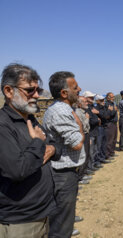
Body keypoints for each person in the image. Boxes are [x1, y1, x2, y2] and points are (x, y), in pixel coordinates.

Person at [0, 64, 58, 238]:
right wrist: (38, 143)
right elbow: (18, 170)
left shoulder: (30, 118)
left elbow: (54, 144)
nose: (37, 95)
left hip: (40, 213)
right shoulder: (3, 126)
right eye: (30, 90)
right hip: (20, 222)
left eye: (38, 89)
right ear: (9, 91)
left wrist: (53, 149)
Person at [43, 71, 85, 238]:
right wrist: (77, 118)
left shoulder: (64, 109)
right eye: (75, 87)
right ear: (64, 93)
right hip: (62, 174)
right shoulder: (61, 112)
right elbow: (77, 143)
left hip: (66, 173)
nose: (79, 89)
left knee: (64, 218)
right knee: (61, 226)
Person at [75, 96, 93, 184]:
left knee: (87, 154)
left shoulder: (83, 112)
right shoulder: (78, 113)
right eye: (85, 102)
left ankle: (83, 174)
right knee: (83, 156)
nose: (87, 103)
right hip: (82, 135)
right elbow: (82, 126)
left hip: (86, 134)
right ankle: (79, 177)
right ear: (79, 104)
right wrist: (87, 118)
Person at [94, 95, 111, 163]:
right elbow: (105, 115)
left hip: (104, 126)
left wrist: (100, 113)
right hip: (99, 128)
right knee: (99, 144)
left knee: (104, 143)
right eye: (101, 100)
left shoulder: (103, 107)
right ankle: (98, 160)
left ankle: (103, 157)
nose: (103, 102)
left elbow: (107, 116)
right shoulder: (96, 108)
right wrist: (102, 113)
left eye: (103, 100)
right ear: (97, 101)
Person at [104, 92, 118, 158]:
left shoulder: (113, 104)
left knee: (114, 139)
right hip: (110, 123)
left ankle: (112, 152)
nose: (113, 98)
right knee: (109, 140)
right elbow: (110, 114)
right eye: (111, 97)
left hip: (114, 123)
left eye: (113, 96)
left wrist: (114, 110)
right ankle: (107, 154)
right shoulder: (107, 104)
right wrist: (114, 110)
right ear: (108, 97)